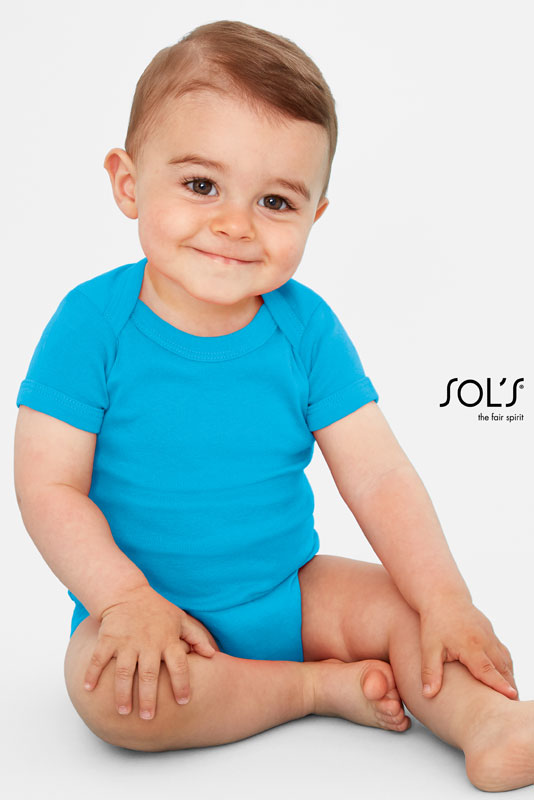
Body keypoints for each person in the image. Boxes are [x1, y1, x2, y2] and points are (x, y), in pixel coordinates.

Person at [13, 19, 533, 792]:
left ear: (315, 214)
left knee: (408, 613)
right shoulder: (91, 325)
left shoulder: (305, 328)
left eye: (276, 201)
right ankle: (311, 689)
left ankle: (488, 722)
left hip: (292, 592)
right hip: (149, 612)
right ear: (128, 182)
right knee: (113, 695)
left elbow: (380, 475)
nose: (235, 225)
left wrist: (445, 599)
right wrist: (122, 600)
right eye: (201, 185)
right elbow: (48, 486)